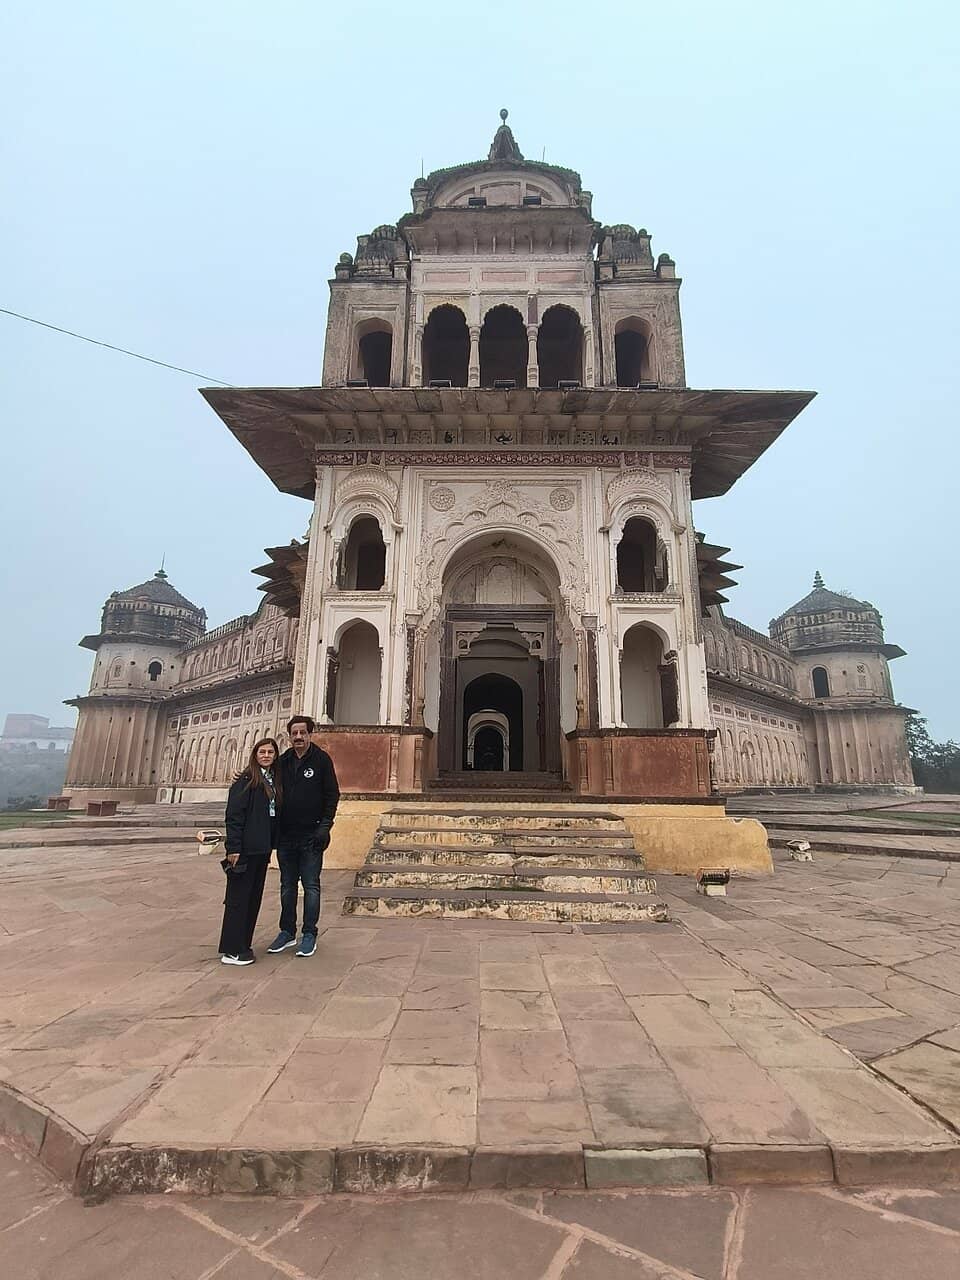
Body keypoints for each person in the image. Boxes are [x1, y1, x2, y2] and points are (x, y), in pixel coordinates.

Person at [266, 715, 339, 958]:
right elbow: (265, 783)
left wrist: (324, 827)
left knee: (311, 886)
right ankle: (287, 932)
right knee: (287, 887)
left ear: (310, 734)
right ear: (290, 736)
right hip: (287, 836)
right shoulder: (283, 761)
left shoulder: (321, 760)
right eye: (294, 733)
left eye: (302, 733)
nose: (298, 737)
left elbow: (332, 795)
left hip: (311, 836)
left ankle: (309, 934)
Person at [218, 738, 282, 966]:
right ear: (254, 755)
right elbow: (234, 815)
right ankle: (232, 950)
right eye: (262, 752)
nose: (266, 755)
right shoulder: (246, 780)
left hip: (261, 848)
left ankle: (243, 945)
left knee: (252, 899)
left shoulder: (272, 780)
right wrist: (233, 848)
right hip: (244, 849)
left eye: (270, 752)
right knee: (238, 900)